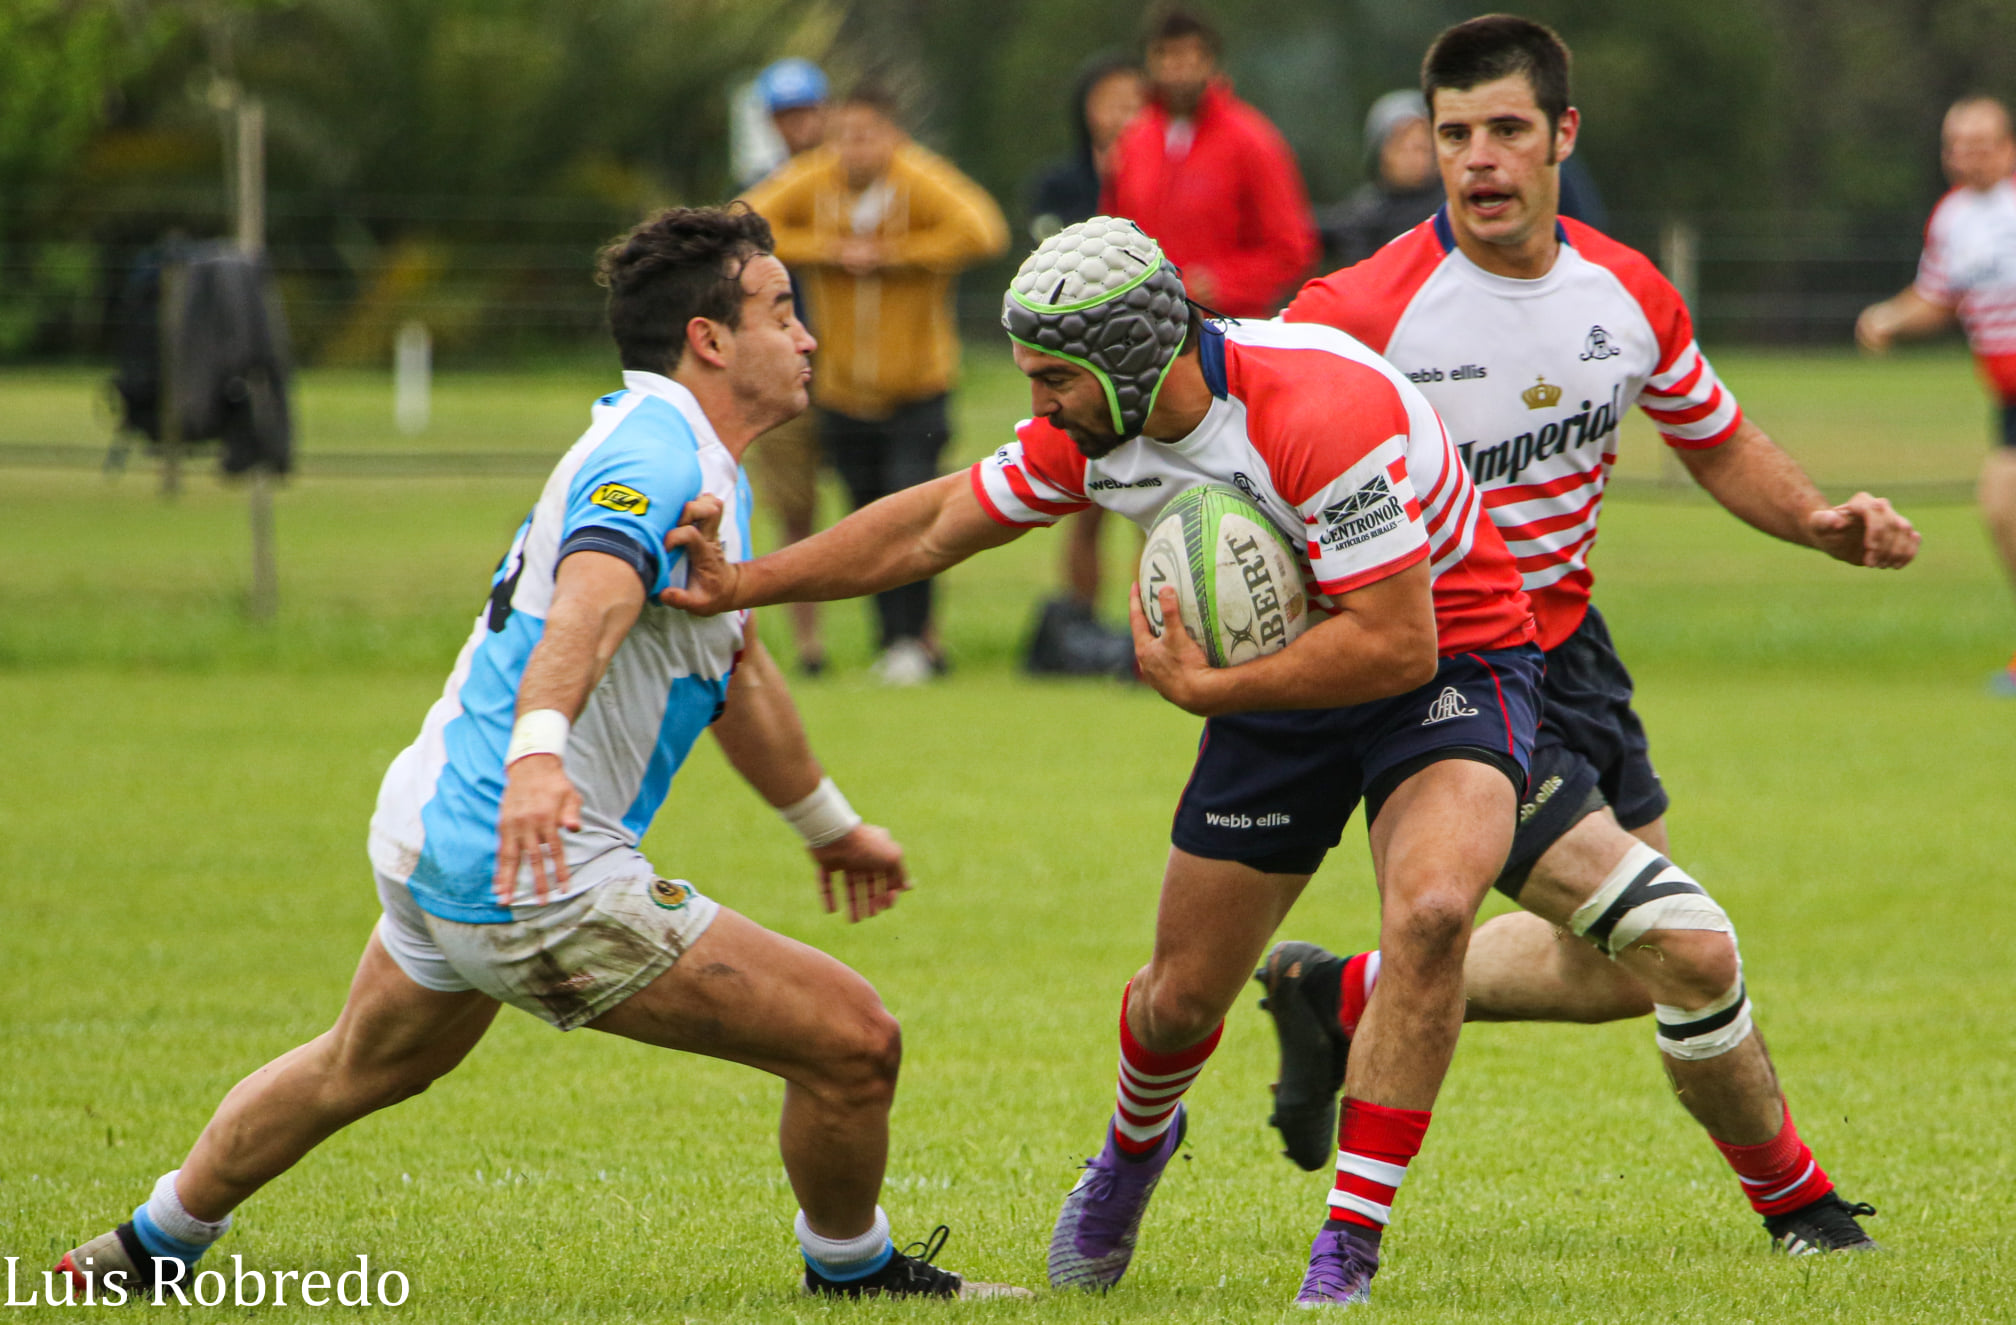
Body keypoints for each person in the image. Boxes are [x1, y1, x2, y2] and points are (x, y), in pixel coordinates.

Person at [53, 205, 1025, 1304]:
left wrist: (828, 825)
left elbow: (733, 664)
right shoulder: (655, 455)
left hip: (433, 826)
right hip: (530, 863)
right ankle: (853, 1271)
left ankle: (144, 1245)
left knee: (357, 1064)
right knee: (854, 1041)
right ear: (709, 339)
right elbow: (593, 596)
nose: (806, 336)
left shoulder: (682, 451)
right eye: (780, 311)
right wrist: (538, 757)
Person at [661, 216, 1545, 1307]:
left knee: (1434, 915)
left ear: (1129, 360)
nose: (1039, 404)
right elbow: (933, 525)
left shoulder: (1317, 410)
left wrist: (1210, 692)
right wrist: (743, 583)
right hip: (1280, 686)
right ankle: (1133, 1148)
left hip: (1448, 657)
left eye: (1053, 378)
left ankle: (1346, 1250)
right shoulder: (1090, 434)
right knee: (1179, 1000)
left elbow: (1398, 643)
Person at [1271, 14, 1919, 1258]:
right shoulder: (1358, 311)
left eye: (1507, 129)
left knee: (1617, 968)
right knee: (1685, 944)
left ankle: (1340, 990)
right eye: (1455, 134)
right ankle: (1804, 1209)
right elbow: (1256, 442)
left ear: (1563, 133)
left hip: (1571, 653)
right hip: (1453, 675)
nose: (1479, 158)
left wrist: (1818, 521)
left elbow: (1716, 436)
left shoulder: (1624, 292)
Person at [743, 83, 1009, 685]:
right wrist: (826, 250)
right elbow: (747, 219)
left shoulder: (921, 178)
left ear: (894, 136)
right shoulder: (813, 180)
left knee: (913, 509)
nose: (855, 148)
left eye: (868, 135)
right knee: (865, 516)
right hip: (841, 390)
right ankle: (892, 642)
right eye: (845, 136)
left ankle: (914, 640)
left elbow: (983, 230)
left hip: (919, 386)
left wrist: (897, 254)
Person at [1858, 95, 2016, 694]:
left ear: (2008, 148)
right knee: (2002, 509)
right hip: (2007, 398)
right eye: (1958, 146)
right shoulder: (1952, 217)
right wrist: (1889, 318)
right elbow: (1938, 297)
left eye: (1982, 145)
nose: (1969, 157)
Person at [1023, 55, 1149, 678]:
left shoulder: (1160, 176)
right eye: (1110, 101)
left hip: (1143, 364)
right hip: (1077, 363)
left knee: (1153, 500)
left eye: (1134, 101)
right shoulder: (1060, 186)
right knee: (1085, 500)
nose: (1123, 114)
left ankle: (1150, 629)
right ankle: (1079, 628)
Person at [1100, 4, 1317, 318]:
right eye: (1166, 55)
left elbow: (1292, 250)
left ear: (1210, 60)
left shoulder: (1252, 140)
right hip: (1146, 327)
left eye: (1190, 55)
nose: (1178, 68)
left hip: (1225, 328)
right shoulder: (1133, 142)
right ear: (1149, 61)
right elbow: (1111, 237)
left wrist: (1223, 283)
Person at [739, 58, 835, 676]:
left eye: (805, 111)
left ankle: (907, 640)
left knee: (883, 494)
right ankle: (809, 646)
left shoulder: (850, 184)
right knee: (794, 505)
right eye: (785, 114)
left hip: (855, 369)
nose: (797, 125)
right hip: (783, 364)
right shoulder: (760, 189)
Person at [1318, 90, 1444, 269]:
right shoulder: (1363, 215)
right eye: (1401, 147)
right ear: (1380, 154)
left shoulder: (1452, 208)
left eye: (1422, 147)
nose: (1414, 158)